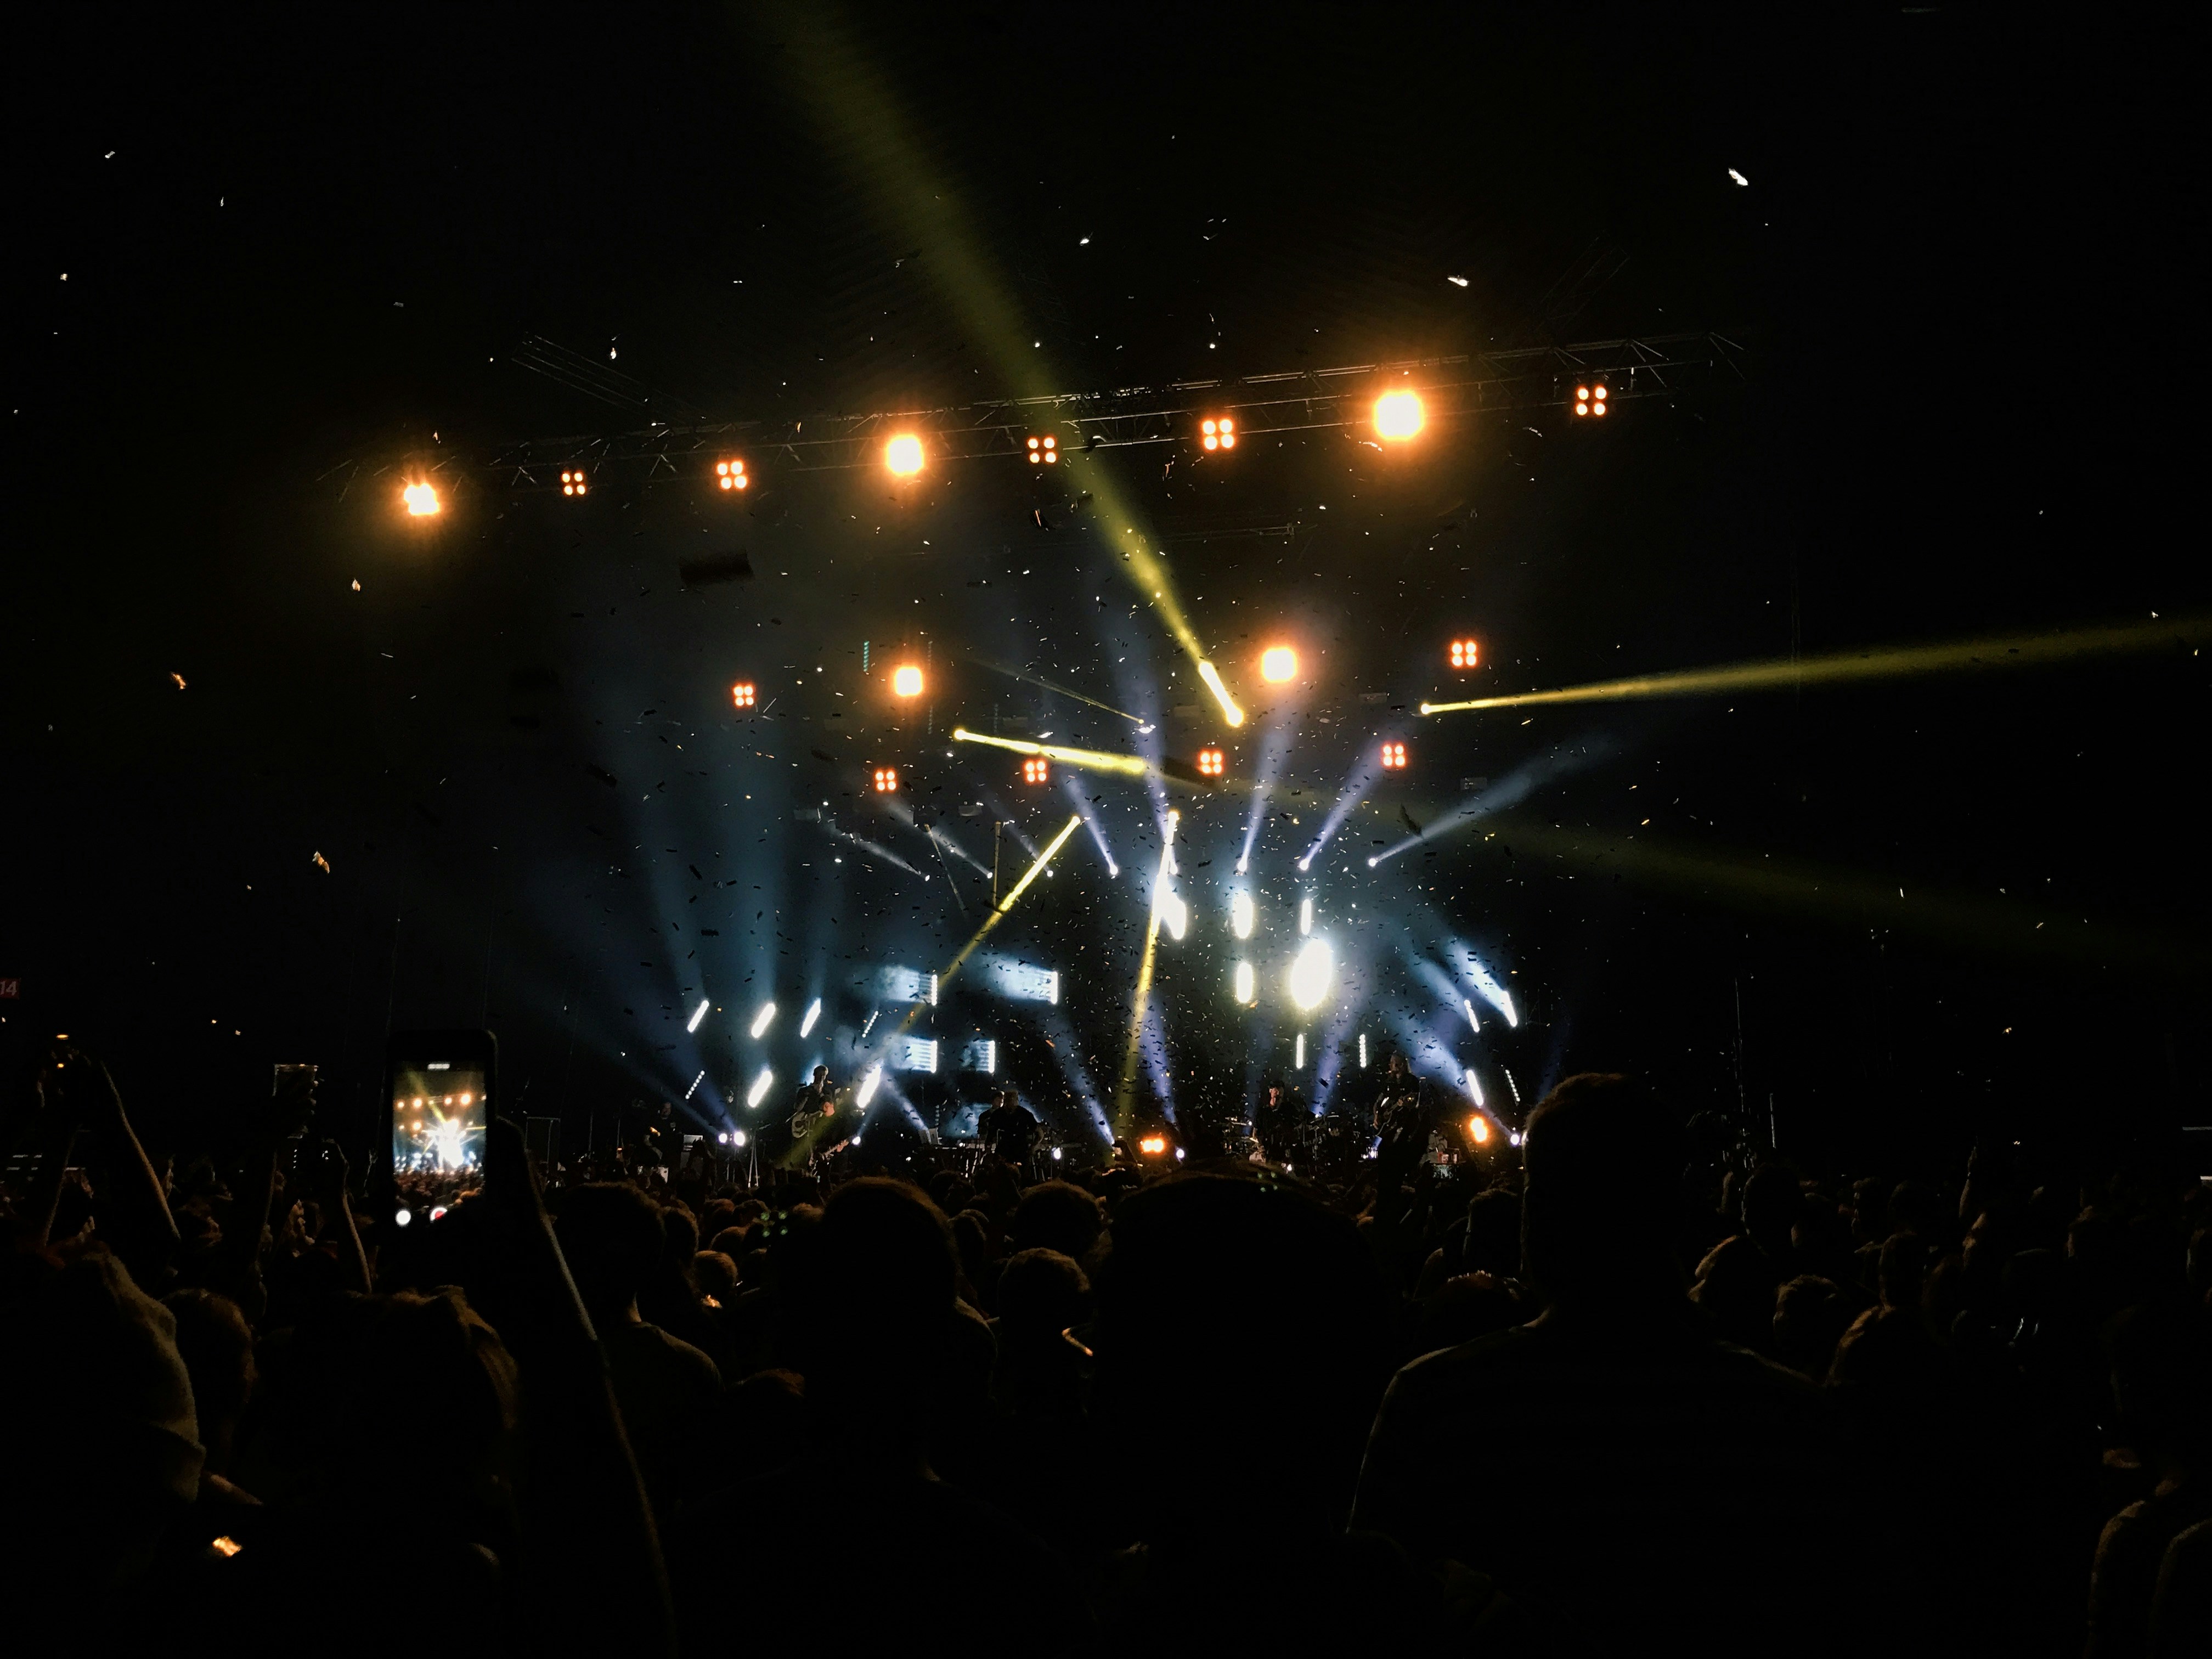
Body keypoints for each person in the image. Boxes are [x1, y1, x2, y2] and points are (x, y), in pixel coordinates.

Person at [1352, 1071, 1861, 1654]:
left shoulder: (1433, 1403)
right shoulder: (1787, 1419)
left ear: (1537, 1217)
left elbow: (1364, 1616)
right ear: (1674, 1211)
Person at [978, 1087, 1042, 1178]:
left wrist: (1033, 1148)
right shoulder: (998, 1115)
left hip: (1020, 1151)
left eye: (1012, 1100)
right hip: (1005, 1151)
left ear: (1016, 1100)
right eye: (1008, 1100)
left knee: (1023, 1176)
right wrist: (989, 1149)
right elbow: (990, 1135)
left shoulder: (1025, 1114)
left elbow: (1039, 1133)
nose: (1009, 1104)